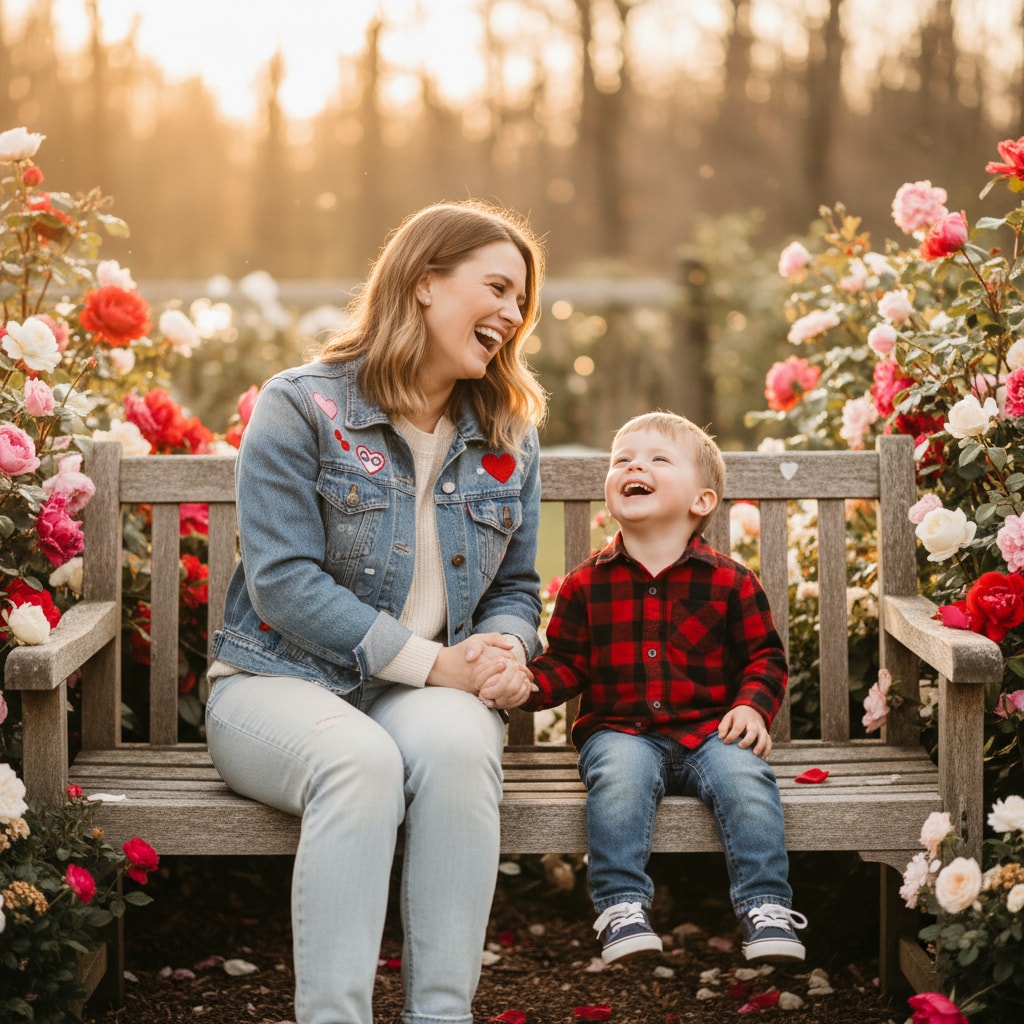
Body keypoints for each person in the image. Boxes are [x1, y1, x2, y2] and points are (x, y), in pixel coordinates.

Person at [204, 200, 548, 1024]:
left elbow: (517, 585)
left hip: (414, 693)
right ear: (426, 281)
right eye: (496, 288)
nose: (511, 314)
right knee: (360, 764)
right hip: (275, 681)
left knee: (465, 747)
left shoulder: (509, 433)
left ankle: (439, 1014)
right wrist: (438, 664)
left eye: (521, 304)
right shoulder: (303, 407)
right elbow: (284, 584)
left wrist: (504, 646)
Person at [474, 411, 807, 967]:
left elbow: (764, 658)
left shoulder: (730, 581)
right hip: (620, 732)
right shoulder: (586, 583)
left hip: (710, 730)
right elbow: (568, 665)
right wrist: (525, 685)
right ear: (612, 492)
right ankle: (621, 908)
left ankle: (766, 907)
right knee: (620, 780)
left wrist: (752, 706)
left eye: (657, 459)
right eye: (623, 460)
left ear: (701, 501)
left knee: (746, 777)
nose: (634, 466)